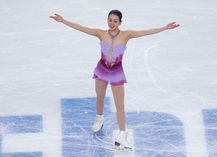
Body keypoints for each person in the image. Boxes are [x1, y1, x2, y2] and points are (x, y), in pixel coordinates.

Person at [50, 9, 179, 150]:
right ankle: (99, 117)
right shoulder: (101, 34)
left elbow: (145, 32)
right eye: (110, 20)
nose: (112, 23)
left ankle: (122, 135)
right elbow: (82, 28)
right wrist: (63, 21)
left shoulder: (126, 35)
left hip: (116, 72)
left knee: (120, 106)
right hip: (101, 70)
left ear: (120, 22)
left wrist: (165, 28)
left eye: (115, 21)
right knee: (100, 97)